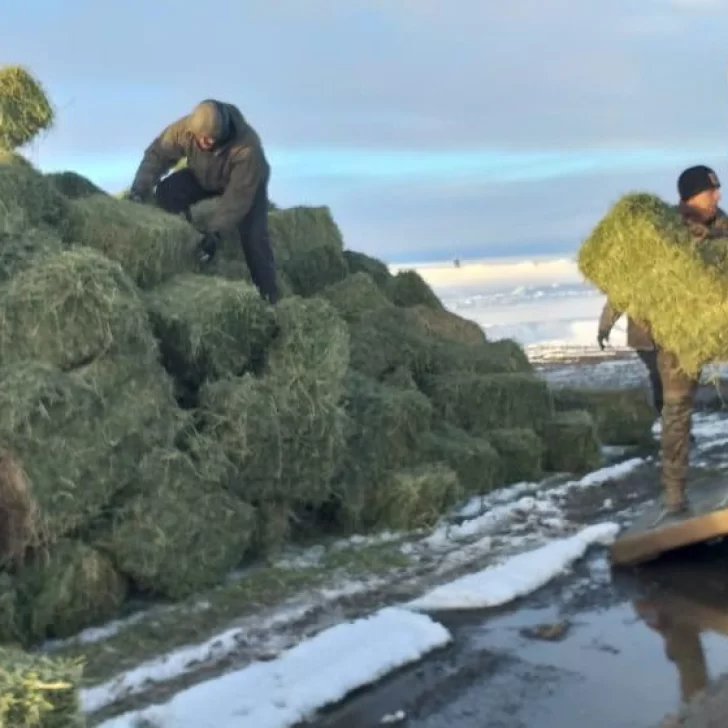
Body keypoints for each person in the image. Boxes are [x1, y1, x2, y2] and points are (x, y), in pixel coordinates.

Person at [128, 99, 279, 304]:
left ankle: (270, 299)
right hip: (204, 176)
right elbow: (158, 154)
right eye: (201, 138)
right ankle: (187, 246)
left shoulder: (247, 148)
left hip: (245, 184)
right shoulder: (186, 128)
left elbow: (237, 198)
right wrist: (139, 190)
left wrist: (215, 231)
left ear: (224, 133)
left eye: (210, 140)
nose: (204, 142)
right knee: (168, 191)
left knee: (254, 238)